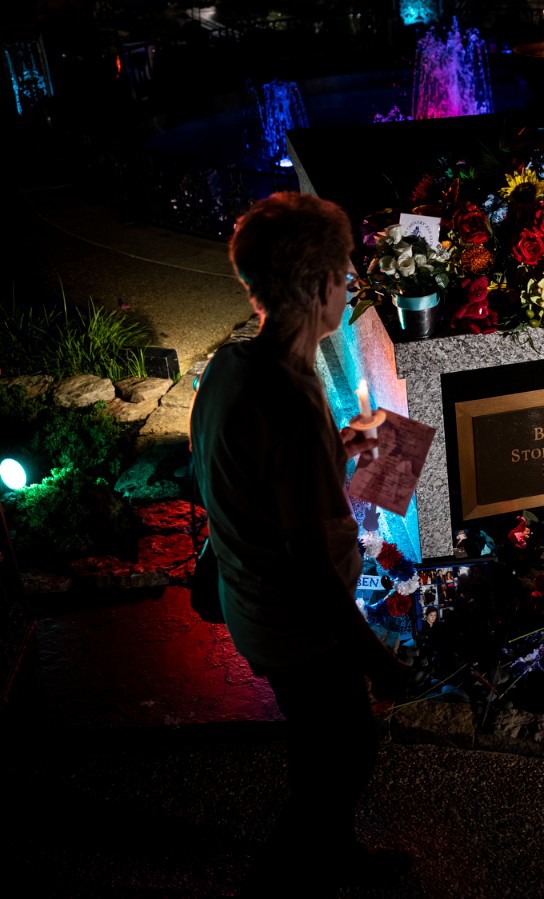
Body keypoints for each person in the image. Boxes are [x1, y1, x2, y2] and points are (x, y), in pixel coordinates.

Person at [189, 191, 414, 895]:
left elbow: (258, 486)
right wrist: (379, 659)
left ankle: (330, 854)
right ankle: (295, 873)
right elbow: (312, 568)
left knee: (319, 742)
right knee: (347, 750)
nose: (350, 287)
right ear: (318, 287)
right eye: (345, 275)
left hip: (253, 606)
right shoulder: (290, 401)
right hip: (298, 627)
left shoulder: (233, 367)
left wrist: (344, 448)